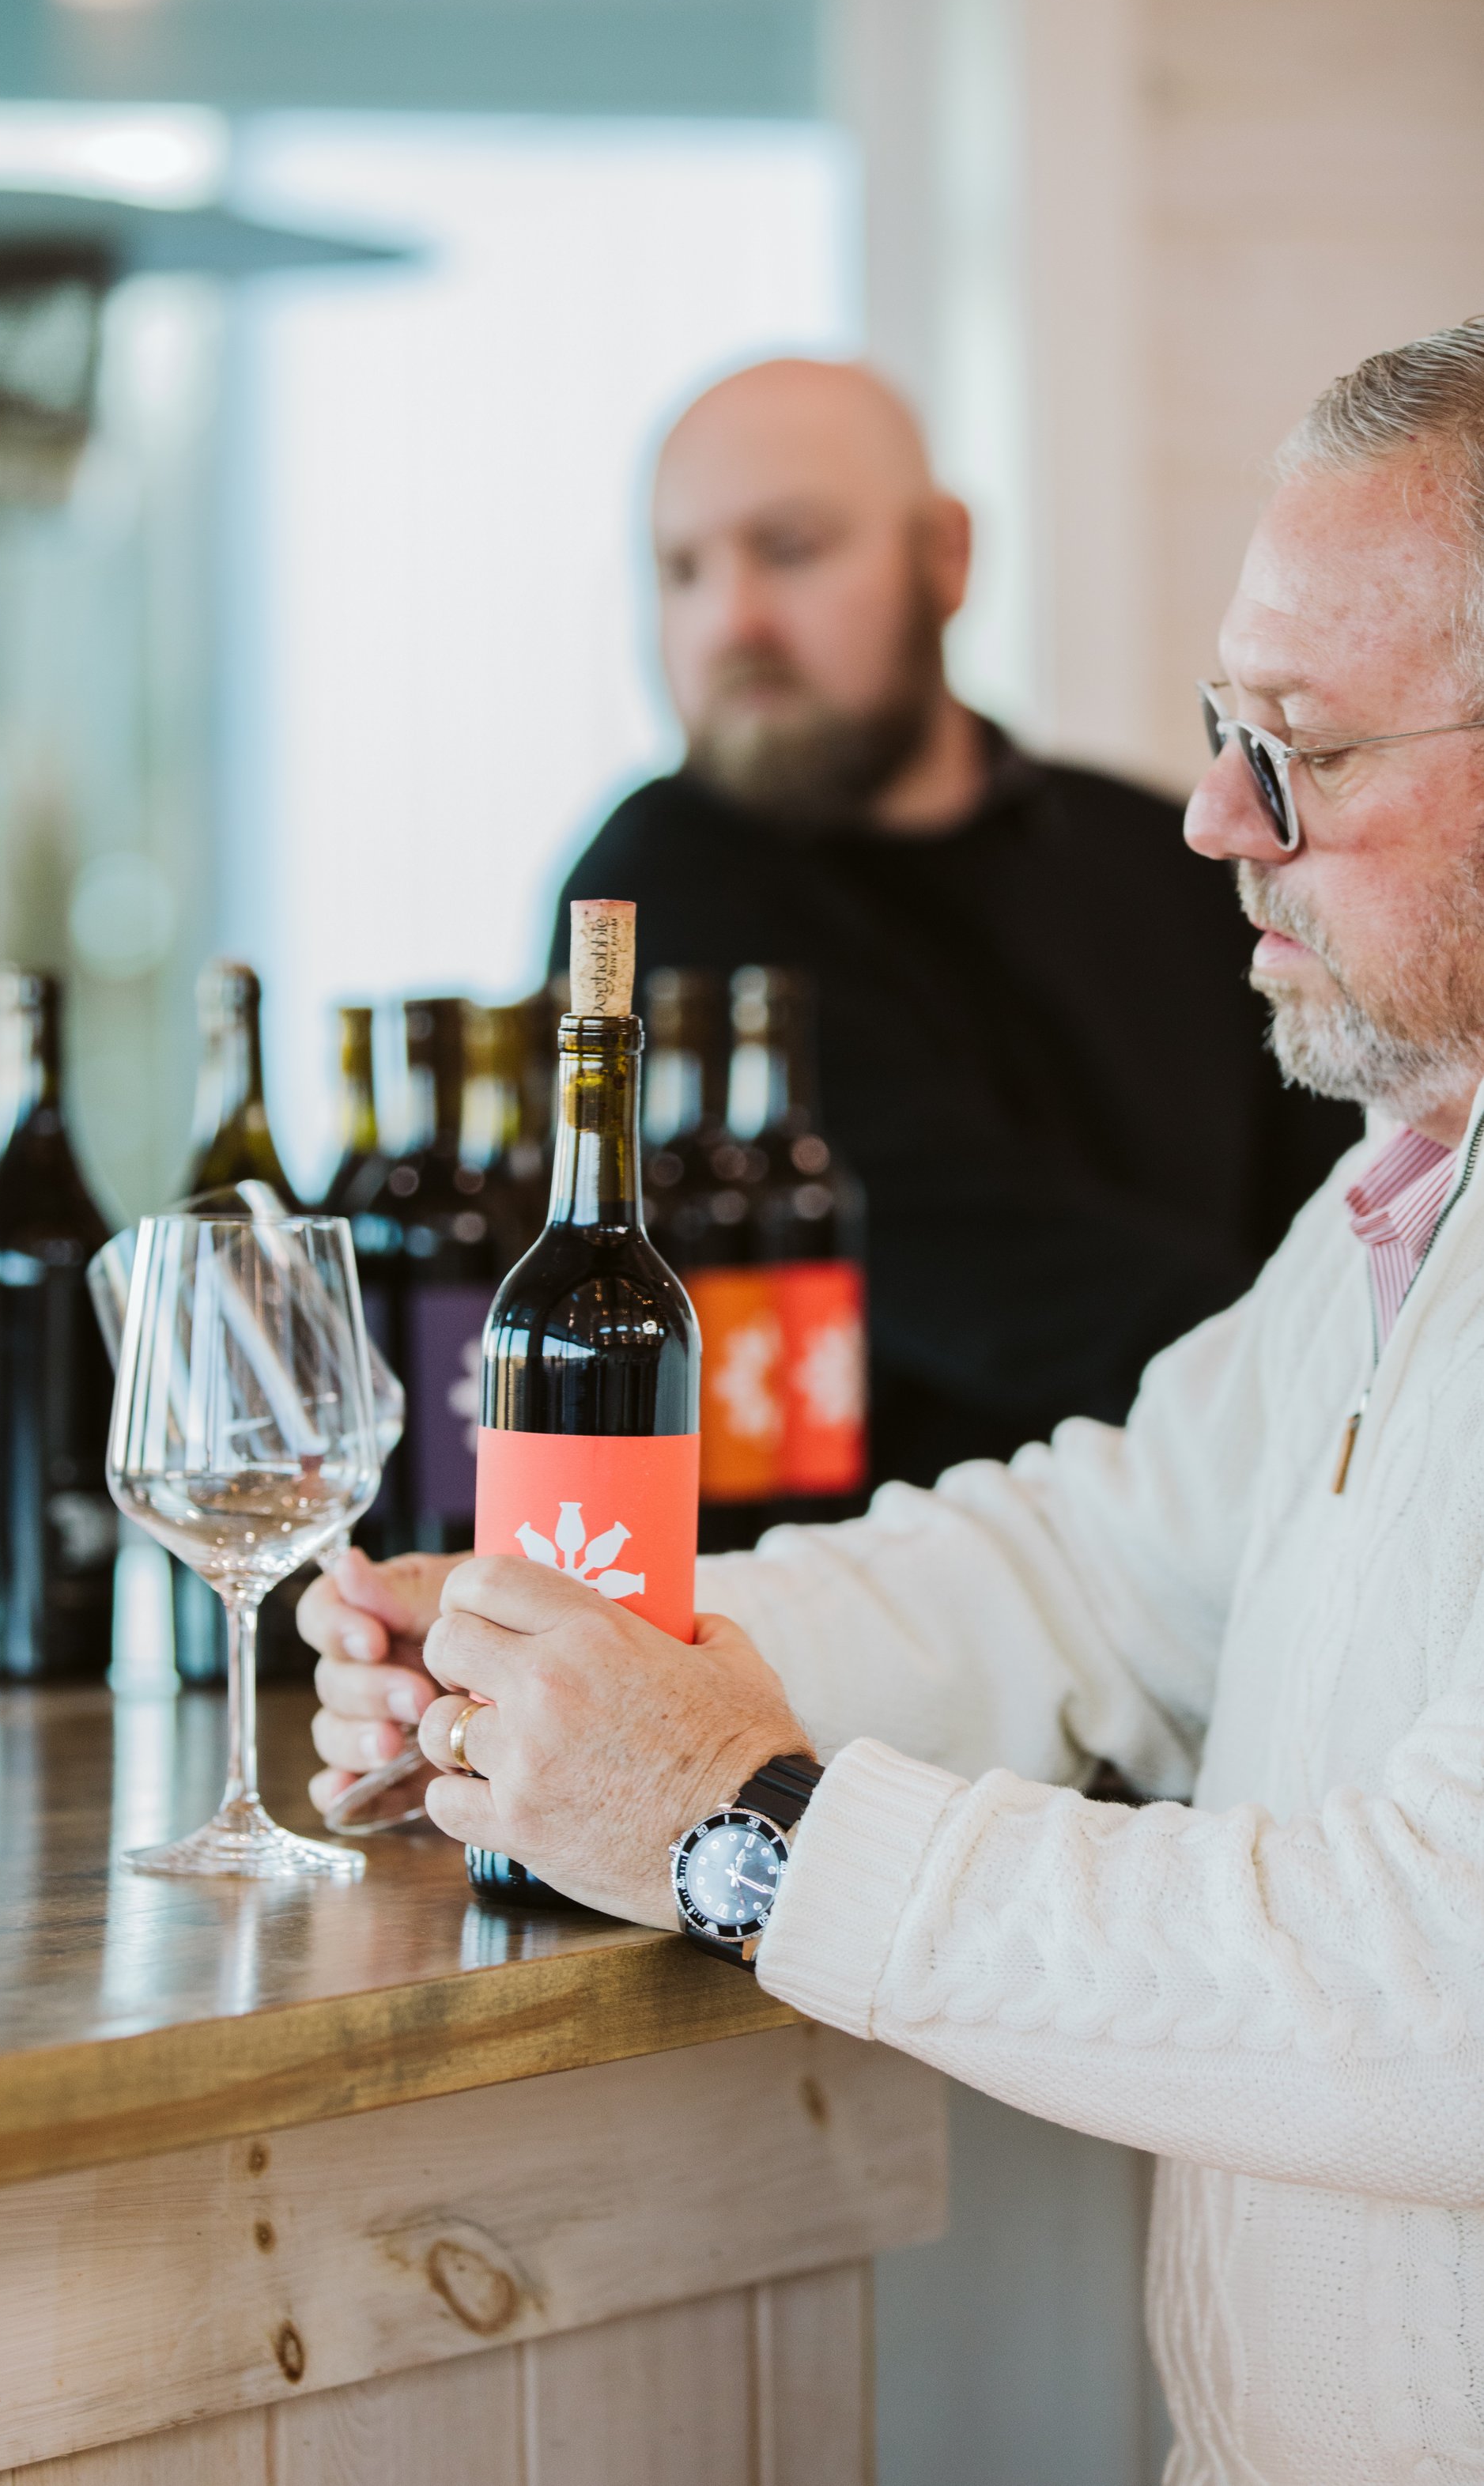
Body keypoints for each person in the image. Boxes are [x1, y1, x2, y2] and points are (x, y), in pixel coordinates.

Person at [304, 321, 1484, 2480]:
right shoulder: (1407, 1188)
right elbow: (1100, 1551)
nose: (1216, 813)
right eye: (1226, 728)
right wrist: (607, 1645)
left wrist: (740, 1829)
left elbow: (1435, 1982)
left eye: (1294, 747)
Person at [554, 358, 1358, 1486]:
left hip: (1246, 1549)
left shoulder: (1170, 846)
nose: (730, 619)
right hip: (844, 1619)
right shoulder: (654, 891)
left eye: (789, 549)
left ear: (947, 554)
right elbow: (977, 1264)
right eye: (682, 569)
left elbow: (1347, 1192)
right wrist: (1356, 1384)